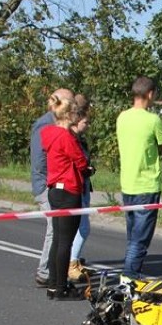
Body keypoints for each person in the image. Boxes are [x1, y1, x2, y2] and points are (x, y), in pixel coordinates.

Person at [116, 76, 162, 281]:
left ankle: (130, 270)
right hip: (147, 184)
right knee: (141, 237)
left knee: (132, 234)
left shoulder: (122, 117)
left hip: (128, 183)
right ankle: (129, 275)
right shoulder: (153, 120)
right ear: (150, 94)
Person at [41, 93, 92, 300]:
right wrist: (89, 169)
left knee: (57, 240)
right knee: (65, 242)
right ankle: (61, 287)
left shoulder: (49, 133)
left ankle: (53, 284)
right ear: (69, 114)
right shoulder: (66, 137)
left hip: (55, 189)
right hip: (69, 190)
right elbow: (81, 161)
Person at [30, 87, 73, 287]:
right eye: (70, 104)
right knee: (54, 230)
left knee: (61, 231)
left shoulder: (60, 124)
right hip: (47, 185)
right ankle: (46, 272)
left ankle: (57, 271)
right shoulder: (44, 125)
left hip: (57, 184)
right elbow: (40, 162)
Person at [68, 94, 92, 282]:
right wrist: (85, 168)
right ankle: (71, 263)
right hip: (75, 187)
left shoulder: (80, 139)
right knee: (83, 228)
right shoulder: (70, 139)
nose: (87, 125)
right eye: (85, 122)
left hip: (84, 185)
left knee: (80, 228)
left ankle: (74, 261)